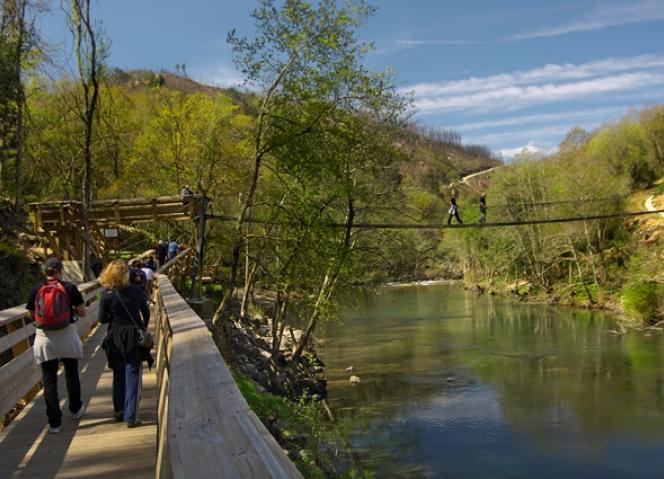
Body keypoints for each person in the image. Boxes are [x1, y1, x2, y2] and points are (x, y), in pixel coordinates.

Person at [26, 257, 87, 434]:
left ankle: (54, 422)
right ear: (60, 270)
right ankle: (75, 409)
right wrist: (72, 310)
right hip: (67, 335)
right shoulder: (69, 287)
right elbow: (82, 313)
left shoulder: (37, 289)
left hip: (45, 338)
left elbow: (31, 315)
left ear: (46, 271)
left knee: (49, 379)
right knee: (72, 372)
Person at [98, 259, 152, 427]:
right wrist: (142, 326)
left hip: (114, 337)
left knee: (118, 374)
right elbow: (146, 312)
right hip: (132, 336)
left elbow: (102, 319)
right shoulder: (136, 291)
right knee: (133, 373)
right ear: (126, 274)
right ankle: (131, 416)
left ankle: (119, 410)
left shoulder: (106, 295)